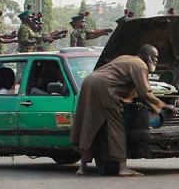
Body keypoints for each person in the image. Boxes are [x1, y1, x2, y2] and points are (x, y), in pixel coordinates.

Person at [71, 45, 170, 177]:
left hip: (90, 82)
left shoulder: (126, 58)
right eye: (155, 57)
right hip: (105, 88)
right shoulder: (140, 65)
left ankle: (82, 168)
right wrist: (164, 105)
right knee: (116, 127)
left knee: (88, 123)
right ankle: (122, 168)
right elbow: (144, 92)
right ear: (146, 55)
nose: (157, 60)